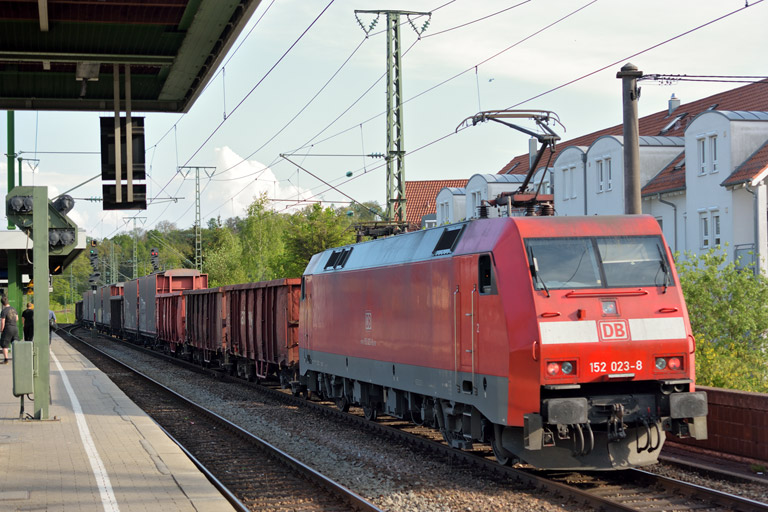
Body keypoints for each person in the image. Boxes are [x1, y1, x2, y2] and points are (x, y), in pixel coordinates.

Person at [0, 296, 19, 362]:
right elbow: (17, 318)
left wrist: (1, 330)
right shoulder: (14, 309)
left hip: (8, 328)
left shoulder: (4, 311)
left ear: (2, 303)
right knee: (15, 342)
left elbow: (3, 321)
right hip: (15, 328)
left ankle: (6, 359)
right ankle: (17, 358)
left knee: (4, 344)